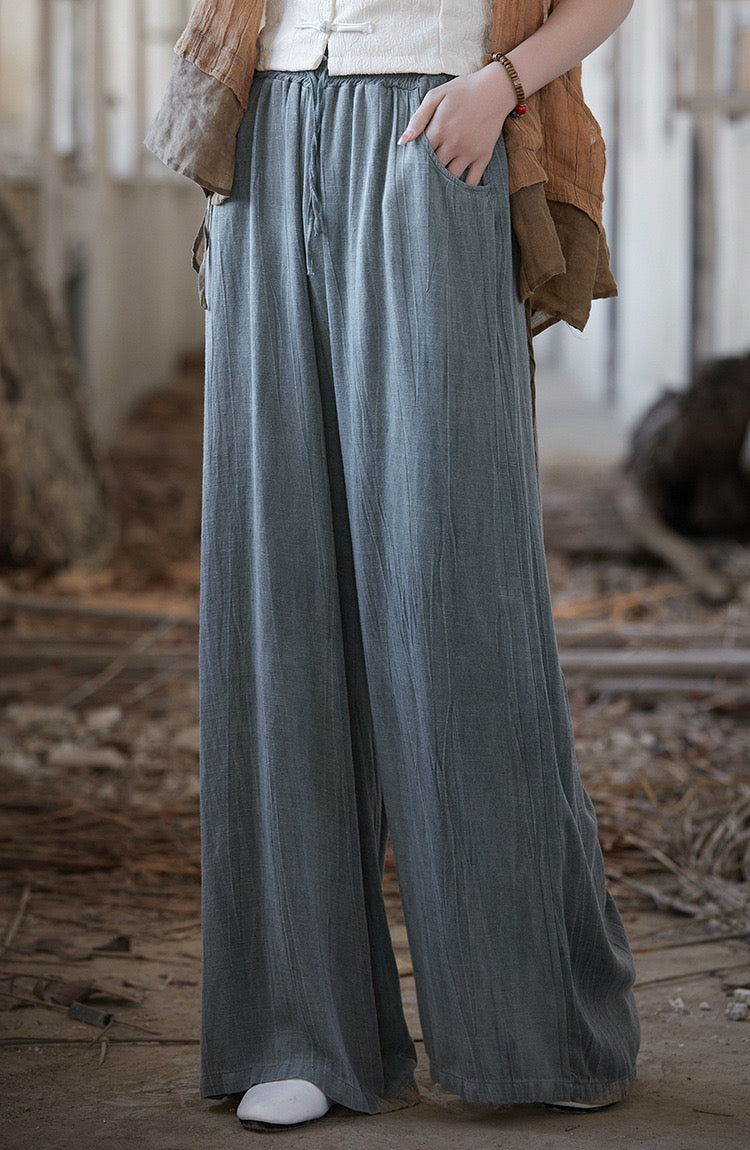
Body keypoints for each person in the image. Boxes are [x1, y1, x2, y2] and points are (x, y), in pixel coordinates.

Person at [146, 0, 640, 1131]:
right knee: (276, 580)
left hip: (438, 123)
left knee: (456, 586)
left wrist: (502, 84)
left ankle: (534, 1020)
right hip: (267, 125)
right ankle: (294, 1028)